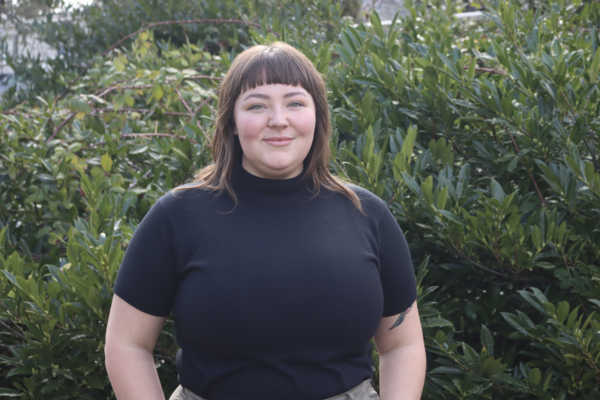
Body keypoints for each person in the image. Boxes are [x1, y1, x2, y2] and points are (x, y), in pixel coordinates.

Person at [105, 41, 426, 400]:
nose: (278, 119)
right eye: (257, 105)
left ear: (318, 116)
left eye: (295, 102)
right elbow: (127, 343)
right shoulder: (178, 216)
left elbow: (402, 344)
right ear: (231, 120)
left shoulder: (368, 215)